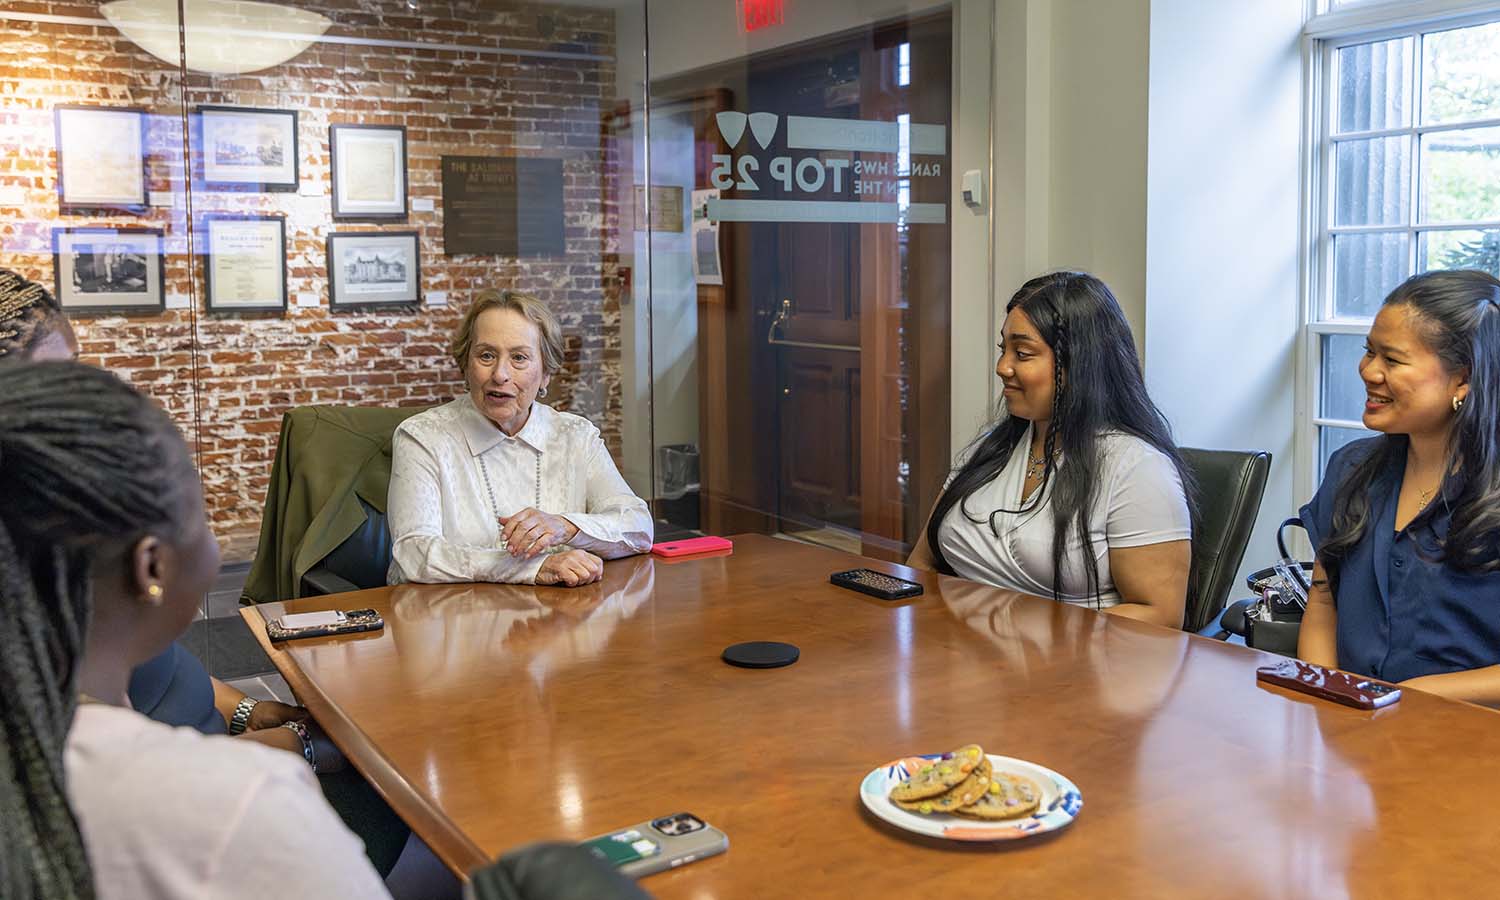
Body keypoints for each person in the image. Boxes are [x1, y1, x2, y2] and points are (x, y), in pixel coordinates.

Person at [0, 267, 410, 873]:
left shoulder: (84, 618)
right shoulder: (236, 805)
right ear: (149, 566)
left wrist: (255, 712)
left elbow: (160, 683)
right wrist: (295, 753)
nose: (91, 400)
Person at [907, 271, 1195, 628]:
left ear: (1079, 364)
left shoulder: (1137, 470)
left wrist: (1015, 639)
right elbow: (922, 563)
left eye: (1023, 353)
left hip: (1070, 675)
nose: (1002, 367)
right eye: (1004, 350)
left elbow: (1159, 617)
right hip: (956, 658)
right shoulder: (991, 447)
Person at [1297, 269, 1500, 705]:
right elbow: (1323, 603)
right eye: (1369, 352)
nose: (1369, 371)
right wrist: (1326, 696)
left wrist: (1412, 697)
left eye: (1392, 359)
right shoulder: (1351, 468)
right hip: (1354, 742)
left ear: (1462, 379)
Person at [388, 289, 652, 587]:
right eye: (486, 355)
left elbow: (639, 527)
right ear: (466, 365)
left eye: (519, 358)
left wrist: (567, 527)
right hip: (450, 619)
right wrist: (532, 568)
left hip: (556, 618)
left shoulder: (575, 435)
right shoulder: (422, 437)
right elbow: (413, 553)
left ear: (546, 374)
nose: (500, 374)